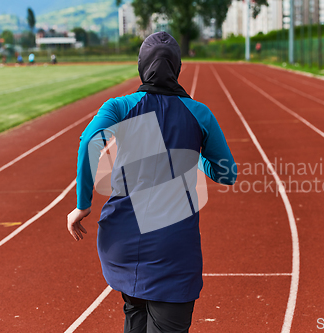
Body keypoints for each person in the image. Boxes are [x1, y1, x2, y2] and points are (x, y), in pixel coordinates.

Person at [67, 31, 237, 333]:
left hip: (121, 246)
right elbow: (227, 174)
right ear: (178, 68)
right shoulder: (200, 114)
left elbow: (88, 142)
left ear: (142, 66)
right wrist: (193, 154)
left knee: (135, 312)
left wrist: (82, 205)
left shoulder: (118, 106)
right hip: (172, 252)